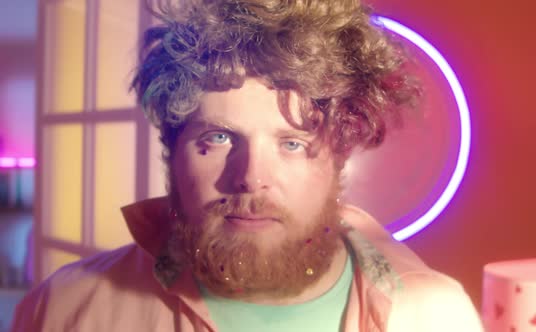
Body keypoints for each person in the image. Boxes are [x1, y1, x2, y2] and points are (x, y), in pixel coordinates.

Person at [11, 0, 483, 331]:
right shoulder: (66, 311)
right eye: (217, 138)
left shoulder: (437, 316)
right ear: (171, 154)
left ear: (340, 156)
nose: (251, 176)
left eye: (293, 143)